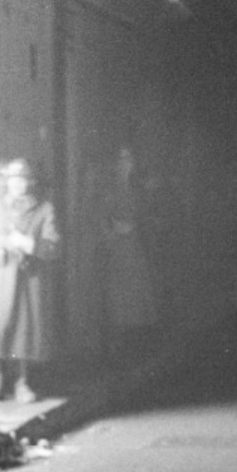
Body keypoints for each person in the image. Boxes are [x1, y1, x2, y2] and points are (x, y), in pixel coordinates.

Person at [0, 157, 60, 403]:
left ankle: (21, 382)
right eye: (13, 179)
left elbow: (53, 247)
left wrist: (28, 244)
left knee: (22, 331)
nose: (18, 184)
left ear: (31, 182)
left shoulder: (43, 209)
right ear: (5, 182)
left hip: (25, 279)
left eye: (23, 179)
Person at [101, 145, 159, 357]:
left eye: (128, 159)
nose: (125, 163)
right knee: (117, 295)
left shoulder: (137, 189)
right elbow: (103, 217)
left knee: (135, 294)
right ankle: (115, 342)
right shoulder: (110, 189)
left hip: (133, 247)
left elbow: (145, 215)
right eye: (121, 159)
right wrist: (112, 231)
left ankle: (133, 342)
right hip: (116, 248)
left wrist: (135, 227)